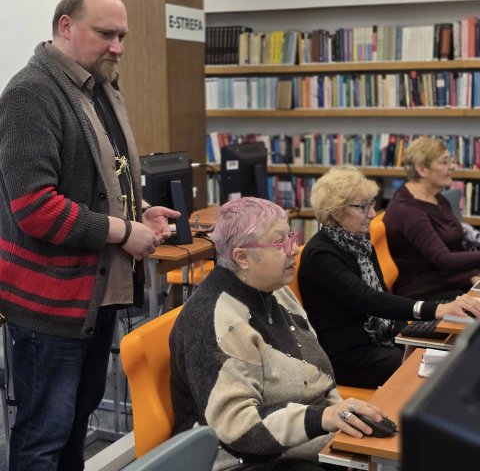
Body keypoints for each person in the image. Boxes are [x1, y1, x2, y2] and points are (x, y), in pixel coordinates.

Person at [0, 0, 180, 469]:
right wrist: (123, 232)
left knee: (75, 428)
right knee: (43, 437)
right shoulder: (30, 94)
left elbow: (102, 180)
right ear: (65, 26)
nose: (117, 47)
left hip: (95, 296)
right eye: (105, 34)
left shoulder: (98, 87)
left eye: (122, 36)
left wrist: (139, 211)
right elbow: (36, 209)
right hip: (50, 306)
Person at [170, 197, 389, 471]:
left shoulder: (276, 290)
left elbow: (319, 376)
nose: (294, 248)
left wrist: (341, 421)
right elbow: (238, 429)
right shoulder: (214, 318)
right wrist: (324, 418)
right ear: (242, 257)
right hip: (239, 460)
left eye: (291, 237)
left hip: (300, 442)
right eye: (279, 242)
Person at [298, 167, 480, 389]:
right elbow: (368, 299)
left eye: (372, 204)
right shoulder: (320, 254)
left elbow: (382, 296)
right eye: (363, 207)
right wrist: (437, 310)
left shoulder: (360, 245)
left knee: (455, 352)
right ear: (335, 211)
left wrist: (410, 337)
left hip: (379, 340)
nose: (373, 214)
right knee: (440, 371)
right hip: (348, 358)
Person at [384, 136, 480, 300]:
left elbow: (456, 248)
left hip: (453, 284)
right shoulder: (408, 211)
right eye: (444, 162)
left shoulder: (437, 198)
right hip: (428, 295)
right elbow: (445, 261)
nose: (452, 166)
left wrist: (472, 276)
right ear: (422, 169)